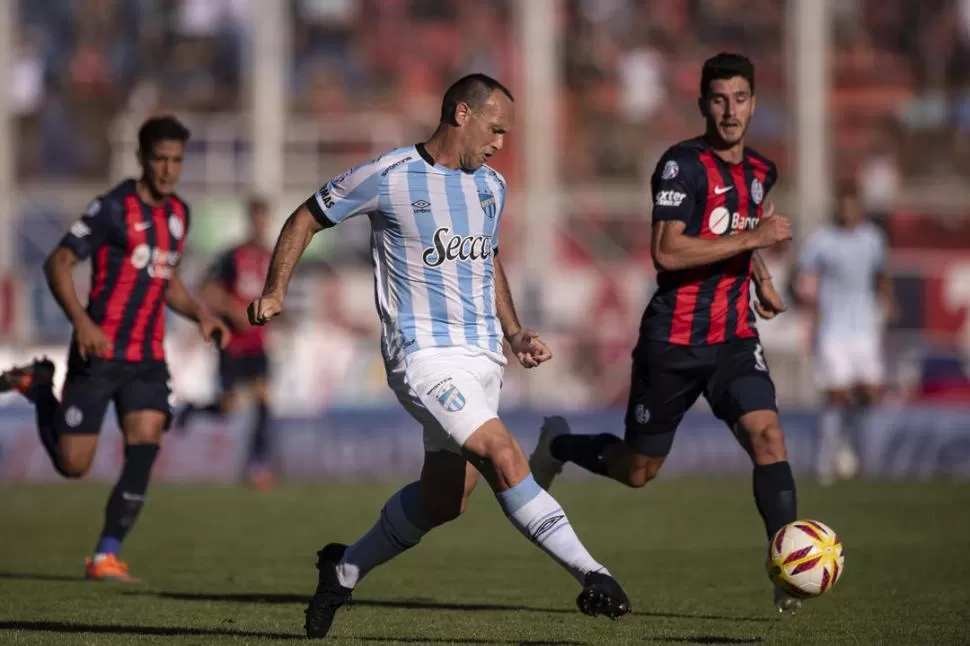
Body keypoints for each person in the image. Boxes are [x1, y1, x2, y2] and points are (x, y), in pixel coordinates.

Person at [247, 73, 631, 639]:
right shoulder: (390, 175)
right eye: (495, 129)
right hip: (422, 356)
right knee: (502, 453)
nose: (501, 143)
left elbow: (488, 258)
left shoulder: (491, 187)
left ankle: (343, 568)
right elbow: (306, 216)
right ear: (460, 114)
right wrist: (276, 289)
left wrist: (515, 330)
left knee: (446, 500)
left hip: (483, 360)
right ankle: (593, 574)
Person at [527, 53, 802, 613]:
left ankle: (787, 565)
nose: (730, 111)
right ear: (703, 105)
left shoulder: (760, 172)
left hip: (733, 338)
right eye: (719, 99)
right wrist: (757, 243)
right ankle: (558, 443)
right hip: (673, 342)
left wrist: (763, 280)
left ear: (754, 103)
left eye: (741, 98)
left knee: (768, 437)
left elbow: (745, 228)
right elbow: (668, 250)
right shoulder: (683, 165)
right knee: (637, 471)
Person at [0, 116, 230, 582]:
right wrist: (82, 323)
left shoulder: (180, 215)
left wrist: (202, 315)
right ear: (142, 158)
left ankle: (105, 555)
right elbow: (58, 263)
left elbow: (167, 281)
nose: (168, 169)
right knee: (73, 465)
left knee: (145, 447)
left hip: (147, 358)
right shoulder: (111, 208)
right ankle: (41, 387)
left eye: (176, 161)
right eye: (160, 159)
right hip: (99, 351)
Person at [791, 182, 896, 486]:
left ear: (859, 208)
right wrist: (808, 304)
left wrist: (888, 301)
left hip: (864, 325)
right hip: (833, 328)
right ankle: (826, 460)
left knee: (872, 391)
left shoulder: (872, 239)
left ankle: (845, 442)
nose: (847, 211)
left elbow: (881, 274)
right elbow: (799, 274)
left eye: (853, 205)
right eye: (843, 205)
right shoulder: (823, 240)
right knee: (836, 394)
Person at [174, 196, 275, 489]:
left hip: (257, 344)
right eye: (257, 220)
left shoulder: (271, 257)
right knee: (228, 406)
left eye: (265, 220)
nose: (261, 226)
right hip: (232, 343)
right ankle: (193, 410)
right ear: (250, 221)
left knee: (264, 399)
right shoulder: (232, 257)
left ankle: (258, 465)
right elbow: (206, 290)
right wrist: (234, 311)